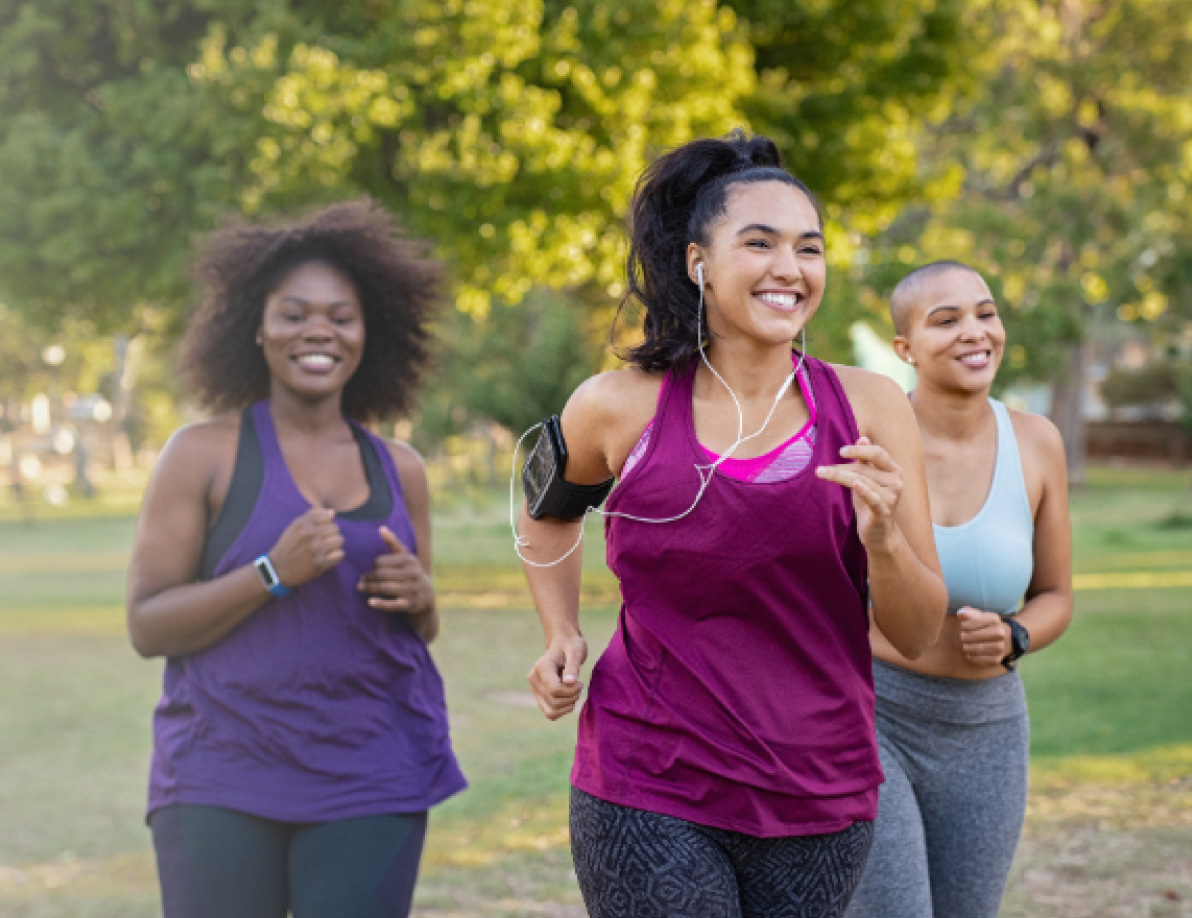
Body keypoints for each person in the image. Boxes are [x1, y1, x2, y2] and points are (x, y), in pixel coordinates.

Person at [516, 131, 949, 918]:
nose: (790, 268)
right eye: (760, 243)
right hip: (649, 778)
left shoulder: (873, 408)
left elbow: (917, 633)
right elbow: (545, 512)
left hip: (821, 790)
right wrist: (560, 630)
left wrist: (883, 540)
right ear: (697, 262)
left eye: (808, 249)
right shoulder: (618, 405)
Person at [126, 199, 465, 918]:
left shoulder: (399, 469)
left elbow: (421, 630)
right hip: (222, 774)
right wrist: (271, 573)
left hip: (372, 773)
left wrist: (421, 598)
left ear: (368, 333)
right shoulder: (202, 454)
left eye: (341, 317)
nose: (319, 330)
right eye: (294, 313)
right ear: (256, 326)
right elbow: (148, 625)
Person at [846, 260, 1073, 918]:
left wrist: (1016, 634)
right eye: (946, 320)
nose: (975, 332)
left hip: (988, 730)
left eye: (986, 313)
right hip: (874, 718)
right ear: (904, 349)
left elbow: (1056, 594)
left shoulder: (1037, 443)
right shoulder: (865, 445)